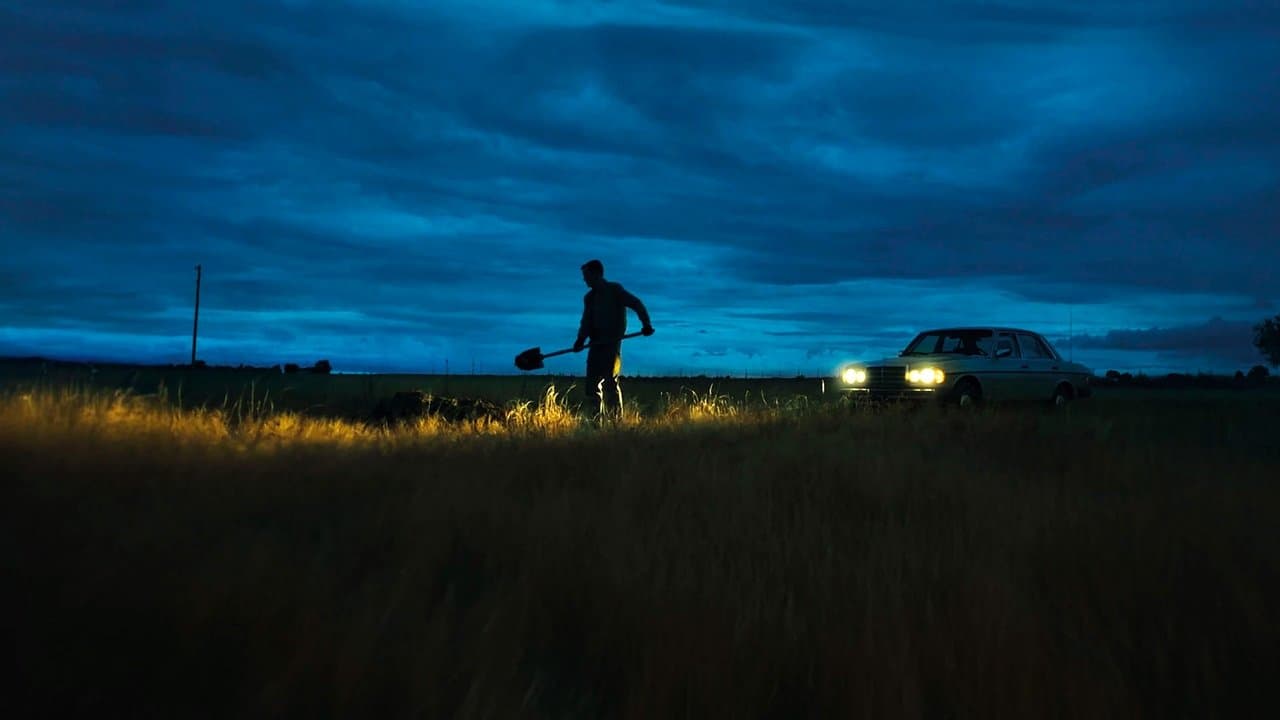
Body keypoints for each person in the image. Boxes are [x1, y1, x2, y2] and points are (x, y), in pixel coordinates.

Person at [573, 259, 654, 420]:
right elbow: (586, 321)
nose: (584, 280)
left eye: (586, 276)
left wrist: (646, 324)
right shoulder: (589, 298)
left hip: (612, 344)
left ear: (596, 274)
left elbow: (636, 304)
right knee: (591, 387)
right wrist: (580, 340)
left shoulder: (615, 290)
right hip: (595, 345)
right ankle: (596, 423)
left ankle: (616, 423)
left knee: (610, 383)